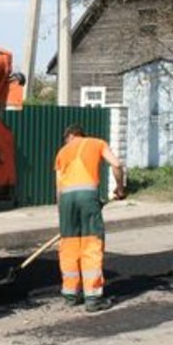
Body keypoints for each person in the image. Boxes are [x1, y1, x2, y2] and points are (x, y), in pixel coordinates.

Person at [54, 124, 126, 312]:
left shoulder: (62, 152)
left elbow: (58, 189)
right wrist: (120, 188)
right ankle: (93, 298)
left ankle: (70, 294)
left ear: (70, 136)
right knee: (90, 243)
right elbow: (117, 164)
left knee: (69, 246)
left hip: (66, 202)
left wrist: (63, 214)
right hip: (88, 198)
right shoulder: (97, 143)